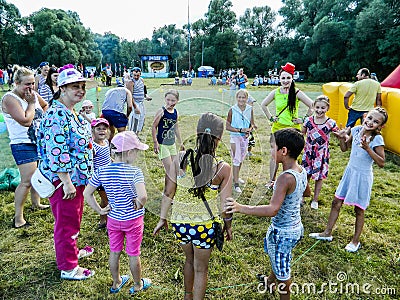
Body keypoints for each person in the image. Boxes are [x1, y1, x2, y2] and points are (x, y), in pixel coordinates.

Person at [153, 113, 233, 300]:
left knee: (188, 261)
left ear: (196, 132)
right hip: (204, 227)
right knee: (201, 269)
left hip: (179, 223)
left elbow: (168, 192)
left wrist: (162, 218)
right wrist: (228, 226)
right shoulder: (223, 168)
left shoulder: (181, 157)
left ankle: (187, 296)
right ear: (219, 138)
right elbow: (225, 206)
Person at [225, 128, 307, 300]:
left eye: (272, 147)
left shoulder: (285, 177)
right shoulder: (301, 170)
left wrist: (241, 207)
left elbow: (272, 209)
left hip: (283, 233)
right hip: (296, 228)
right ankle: (270, 281)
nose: (270, 151)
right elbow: (305, 192)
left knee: (283, 272)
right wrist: (284, 192)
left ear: (283, 151)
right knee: (278, 258)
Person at [37, 64, 94, 280]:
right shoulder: (56, 115)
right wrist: (67, 181)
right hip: (64, 182)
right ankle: (69, 267)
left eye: (82, 86)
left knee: (73, 219)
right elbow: (56, 151)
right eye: (74, 87)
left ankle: (70, 253)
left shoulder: (70, 112)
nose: (80, 90)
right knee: (66, 223)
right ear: (62, 88)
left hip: (76, 179)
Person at [309, 107, 388, 253]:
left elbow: (382, 162)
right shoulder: (357, 129)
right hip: (350, 172)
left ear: (380, 126)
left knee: (359, 209)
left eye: (376, 122)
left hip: (363, 176)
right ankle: (327, 233)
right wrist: (341, 139)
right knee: (336, 202)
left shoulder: (377, 139)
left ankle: (355, 241)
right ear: (365, 116)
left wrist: (368, 149)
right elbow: (345, 148)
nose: (370, 122)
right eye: (369, 118)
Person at [84, 131, 152, 294]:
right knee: (133, 253)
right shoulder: (135, 172)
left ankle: (116, 283)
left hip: (113, 220)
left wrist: (100, 210)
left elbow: (87, 193)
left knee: (114, 252)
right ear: (129, 153)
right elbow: (143, 195)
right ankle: (137, 285)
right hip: (133, 221)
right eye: (136, 151)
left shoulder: (102, 171)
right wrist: (139, 202)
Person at [1, 66, 49, 228]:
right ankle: (18, 218)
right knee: (27, 181)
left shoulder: (32, 95)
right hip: (22, 143)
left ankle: (36, 203)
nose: (31, 88)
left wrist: (42, 117)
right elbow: (25, 120)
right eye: (27, 84)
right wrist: (30, 104)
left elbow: (44, 106)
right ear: (16, 83)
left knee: (38, 175)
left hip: (38, 141)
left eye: (33, 84)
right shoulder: (10, 98)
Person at [261, 62, 313, 190]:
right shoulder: (276, 92)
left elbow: (312, 105)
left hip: (292, 131)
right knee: (274, 156)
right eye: (283, 78)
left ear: (292, 78)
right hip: (277, 129)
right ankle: (271, 181)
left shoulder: (296, 93)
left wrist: (303, 119)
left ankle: (291, 181)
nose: (285, 80)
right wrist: (271, 118)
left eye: (288, 78)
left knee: (290, 157)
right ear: (279, 79)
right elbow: (263, 105)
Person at [301, 95, 338, 209]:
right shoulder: (308, 120)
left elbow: (338, 134)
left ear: (327, 108)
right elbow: (302, 133)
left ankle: (315, 199)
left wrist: (343, 135)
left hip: (321, 153)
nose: (319, 110)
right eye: (317, 107)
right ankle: (301, 197)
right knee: (305, 174)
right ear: (313, 107)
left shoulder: (330, 123)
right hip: (308, 151)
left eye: (323, 108)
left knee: (319, 176)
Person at [152, 89, 183, 193]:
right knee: (171, 170)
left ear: (177, 101)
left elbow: (176, 128)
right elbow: (154, 126)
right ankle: (168, 193)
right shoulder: (161, 111)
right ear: (165, 99)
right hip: (162, 144)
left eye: (173, 100)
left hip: (171, 144)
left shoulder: (176, 112)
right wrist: (155, 142)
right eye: (168, 100)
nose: (170, 103)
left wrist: (180, 142)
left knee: (173, 169)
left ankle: (168, 190)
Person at [226, 89, 256, 193]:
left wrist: (249, 130)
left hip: (245, 137)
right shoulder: (232, 109)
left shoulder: (250, 109)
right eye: (239, 97)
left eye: (243, 97)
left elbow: (252, 123)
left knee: (242, 158)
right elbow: (227, 126)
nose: (241, 99)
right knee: (236, 158)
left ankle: (236, 177)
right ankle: (235, 184)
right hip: (235, 137)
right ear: (236, 98)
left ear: (247, 98)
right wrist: (239, 130)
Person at [90, 118, 112, 229]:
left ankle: (103, 220)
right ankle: (110, 224)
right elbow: (91, 162)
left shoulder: (106, 142)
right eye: (98, 129)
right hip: (100, 179)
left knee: (105, 200)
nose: (102, 131)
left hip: (109, 176)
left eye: (104, 129)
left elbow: (107, 158)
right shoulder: (93, 147)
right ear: (93, 130)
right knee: (108, 200)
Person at [127, 67, 152, 134]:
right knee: (134, 122)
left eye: (138, 75)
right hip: (135, 104)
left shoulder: (141, 80)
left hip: (141, 103)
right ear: (131, 74)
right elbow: (130, 96)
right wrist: (135, 107)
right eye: (134, 75)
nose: (136, 77)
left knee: (141, 121)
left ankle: (136, 136)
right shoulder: (130, 82)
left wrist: (146, 96)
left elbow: (143, 89)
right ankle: (132, 136)